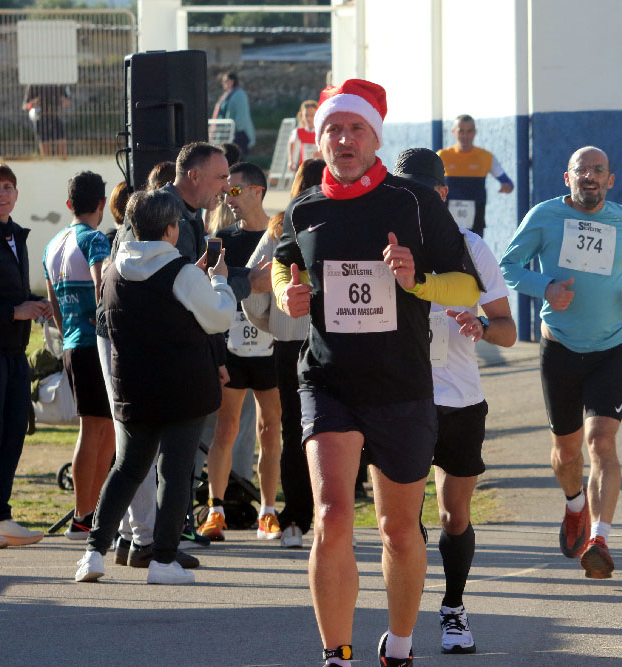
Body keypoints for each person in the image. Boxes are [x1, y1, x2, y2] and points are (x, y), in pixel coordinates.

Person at [272, 78, 481, 667]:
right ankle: (337, 653)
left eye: (355, 128)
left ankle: (402, 644)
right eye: (333, 129)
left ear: (375, 136)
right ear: (320, 139)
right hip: (329, 379)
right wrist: (293, 290)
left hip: (401, 386)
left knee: (396, 528)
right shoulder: (305, 206)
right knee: (333, 517)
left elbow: (468, 286)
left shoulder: (413, 202)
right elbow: (289, 261)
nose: (343, 138)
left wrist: (416, 279)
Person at [499, 146, 622, 579]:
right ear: (566, 178)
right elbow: (509, 265)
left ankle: (599, 538)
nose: (590, 176)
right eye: (581, 170)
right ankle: (574, 506)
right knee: (566, 453)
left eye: (598, 170)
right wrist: (545, 286)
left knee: (601, 443)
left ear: (611, 179)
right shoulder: (544, 216)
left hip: (609, 347)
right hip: (561, 348)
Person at [75, 188, 237, 585]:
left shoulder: (114, 268)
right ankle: (164, 560)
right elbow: (218, 318)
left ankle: (93, 553)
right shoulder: (181, 271)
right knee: (175, 474)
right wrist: (218, 283)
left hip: (132, 385)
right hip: (183, 388)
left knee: (126, 469)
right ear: (171, 229)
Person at [392, 147, 517, 654]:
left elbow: (508, 331)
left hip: (461, 402)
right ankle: (404, 619)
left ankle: (454, 608)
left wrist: (483, 325)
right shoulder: (386, 249)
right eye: (402, 194)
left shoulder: (471, 249)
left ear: (443, 194)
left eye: (422, 194)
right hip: (400, 402)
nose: (412, 204)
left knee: (454, 516)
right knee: (403, 519)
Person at [242, 158, 324, 549]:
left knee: (294, 431)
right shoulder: (336, 223)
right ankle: (329, 513)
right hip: (335, 340)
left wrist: (275, 326)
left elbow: (253, 291)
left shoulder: (278, 229)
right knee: (337, 429)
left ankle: (294, 518)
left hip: (288, 343)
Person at [199, 162, 282, 542]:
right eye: (226, 191)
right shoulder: (221, 237)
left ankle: (267, 510)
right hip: (232, 346)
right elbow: (210, 286)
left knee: (270, 429)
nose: (228, 198)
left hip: (270, 347)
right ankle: (215, 510)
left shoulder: (279, 235)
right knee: (226, 428)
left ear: (257, 191)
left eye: (235, 190)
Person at [43, 171, 116, 540]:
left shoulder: (52, 244)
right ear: (101, 204)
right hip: (96, 345)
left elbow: (54, 303)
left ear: (69, 204)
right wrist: (101, 316)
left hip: (72, 342)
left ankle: (92, 512)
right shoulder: (94, 239)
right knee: (96, 432)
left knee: (101, 431)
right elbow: (102, 283)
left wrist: (69, 326)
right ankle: (83, 516)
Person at [0, 162, 52, 548]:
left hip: (16, 354)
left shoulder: (17, 236)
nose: (1, 194)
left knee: (14, 433)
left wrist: (36, 303)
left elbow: (11, 295)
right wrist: (14, 312)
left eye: (7, 187)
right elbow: (5, 305)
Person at [437, 114, 514, 237]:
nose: (465, 136)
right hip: (446, 220)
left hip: (475, 222)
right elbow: (428, 181)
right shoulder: (442, 156)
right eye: (461, 131)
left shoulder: (486, 157)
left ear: (475, 133)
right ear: (453, 132)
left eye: (469, 131)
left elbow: (507, 181)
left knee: (474, 255)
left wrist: (507, 186)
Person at [212, 73, 256, 157]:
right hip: (226, 135)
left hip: (237, 134)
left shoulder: (240, 95)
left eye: (225, 81)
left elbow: (241, 116)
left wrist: (232, 130)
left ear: (232, 81)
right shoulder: (227, 95)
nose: (223, 84)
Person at [23, 84, 71, 157]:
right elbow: (25, 106)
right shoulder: (33, 84)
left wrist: (64, 101)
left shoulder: (58, 83)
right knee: (46, 156)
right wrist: (32, 103)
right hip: (41, 121)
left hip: (56, 118)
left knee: (62, 153)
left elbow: (68, 102)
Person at [288, 100, 321, 171]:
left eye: (312, 115)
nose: (309, 118)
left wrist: (322, 155)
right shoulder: (298, 131)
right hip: (303, 168)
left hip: (319, 168)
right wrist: (291, 160)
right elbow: (291, 142)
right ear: (302, 116)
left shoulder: (322, 132)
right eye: (306, 115)